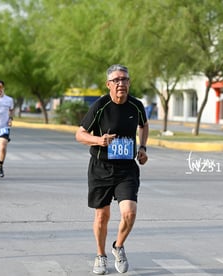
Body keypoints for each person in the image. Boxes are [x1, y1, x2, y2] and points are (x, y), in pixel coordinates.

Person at [75, 64, 149, 275]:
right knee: (102, 216)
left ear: (129, 82)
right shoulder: (100, 105)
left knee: (129, 213)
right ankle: (101, 255)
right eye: (116, 80)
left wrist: (142, 147)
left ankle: (118, 246)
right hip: (101, 167)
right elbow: (79, 134)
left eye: (124, 79)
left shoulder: (136, 105)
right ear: (108, 84)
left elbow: (144, 125)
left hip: (126, 168)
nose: (121, 84)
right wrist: (99, 140)